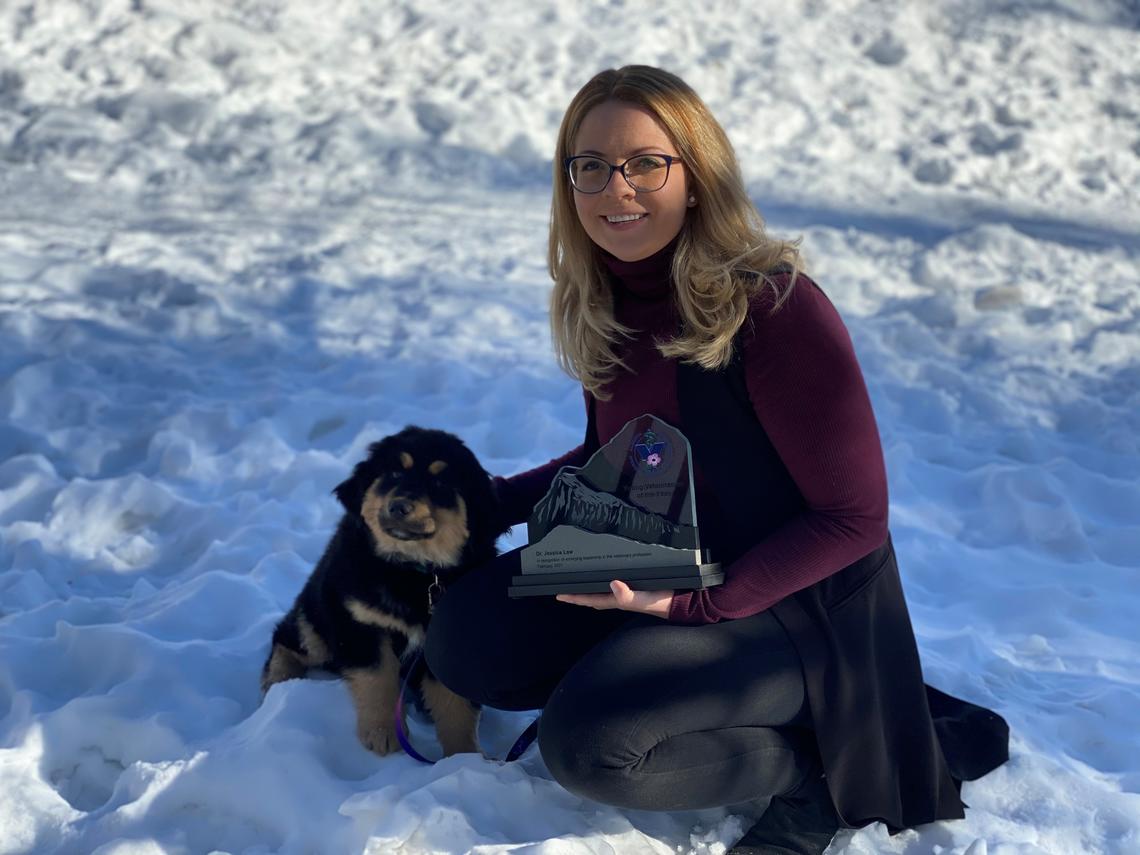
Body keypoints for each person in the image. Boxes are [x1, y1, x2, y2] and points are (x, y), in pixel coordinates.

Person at [424, 65, 1008, 854]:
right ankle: (662, 679)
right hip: (670, 559)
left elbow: (855, 518)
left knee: (592, 747)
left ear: (696, 178)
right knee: (466, 639)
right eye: (589, 165)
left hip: (795, 607)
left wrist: (703, 608)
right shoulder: (607, 300)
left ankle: (816, 780)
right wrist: (488, 501)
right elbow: (614, 453)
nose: (615, 187)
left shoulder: (772, 305)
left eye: (644, 163)